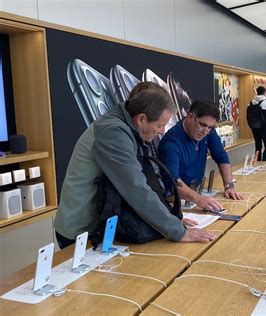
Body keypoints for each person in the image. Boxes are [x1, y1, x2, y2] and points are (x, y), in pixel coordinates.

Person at [54, 84, 215, 249]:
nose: (162, 131)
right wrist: (178, 231)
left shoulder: (133, 128)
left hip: (104, 225)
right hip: (81, 231)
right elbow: (136, 188)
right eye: (160, 125)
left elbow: (150, 181)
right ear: (141, 119)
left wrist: (171, 218)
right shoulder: (113, 132)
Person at [159, 99, 244, 212]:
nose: (206, 131)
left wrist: (229, 186)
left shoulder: (208, 131)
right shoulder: (171, 141)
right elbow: (173, 182)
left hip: (194, 194)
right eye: (203, 125)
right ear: (190, 116)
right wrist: (198, 199)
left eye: (210, 127)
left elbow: (221, 156)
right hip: (174, 200)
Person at [248, 86, 266, 161]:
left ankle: (258, 162)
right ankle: (264, 161)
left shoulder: (251, 102)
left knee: (258, 146)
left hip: (255, 127)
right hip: (265, 129)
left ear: (257, 92)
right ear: (265, 92)